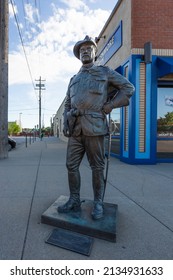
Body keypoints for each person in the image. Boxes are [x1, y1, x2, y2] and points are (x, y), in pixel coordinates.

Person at [58, 35, 135, 220]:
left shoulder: (105, 72)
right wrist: (66, 120)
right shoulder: (73, 79)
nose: (85, 51)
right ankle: (74, 200)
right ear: (78, 55)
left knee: (97, 167)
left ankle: (98, 203)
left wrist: (111, 105)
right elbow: (68, 104)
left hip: (95, 126)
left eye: (88, 49)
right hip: (76, 129)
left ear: (94, 52)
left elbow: (129, 88)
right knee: (71, 165)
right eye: (82, 50)